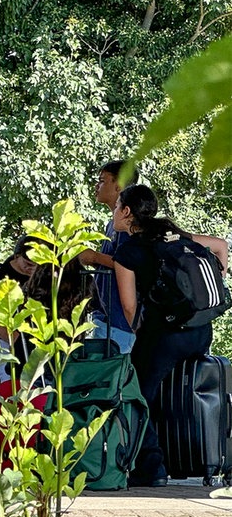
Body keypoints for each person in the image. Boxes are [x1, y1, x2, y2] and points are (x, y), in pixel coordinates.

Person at [112, 184, 228, 487]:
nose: (114, 213)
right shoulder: (173, 235)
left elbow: (128, 306)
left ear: (126, 212)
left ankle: (152, 468)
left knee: (135, 392)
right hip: (201, 330)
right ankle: (201, 455)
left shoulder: (128, 251)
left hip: (165, 336)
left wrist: (140, 331)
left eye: (116, 207)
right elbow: (220, 245)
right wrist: (221, 274)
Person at [79, 160, 139, 353]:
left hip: (121, 322)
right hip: (104, 316)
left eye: (102, 181)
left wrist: (94, 257)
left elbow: (130, 265)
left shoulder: (129, 225)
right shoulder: (112, 224)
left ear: (118, 185)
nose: (97, 186)